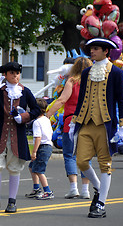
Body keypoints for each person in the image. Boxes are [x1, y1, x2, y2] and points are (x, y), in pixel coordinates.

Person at [69, 38, 123, 218]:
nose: (91, 52)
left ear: (105, 51)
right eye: (91, 49)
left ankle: (101, 204)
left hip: (105, 125)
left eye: (95, 49)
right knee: (80, 161)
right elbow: (82, 100)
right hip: (86, 123)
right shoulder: (87, 72)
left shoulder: (117, 73)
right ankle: (98, 188)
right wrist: (74, 121)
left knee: (105, 164)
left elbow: (122, 100)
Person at [0, 62, 40, 213]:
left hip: (17, 135)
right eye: (12, 73)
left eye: (17, 73)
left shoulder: (25, 92)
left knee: (15, 168)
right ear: (5, 75)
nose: (15, 76)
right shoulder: (0, 91)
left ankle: (12, 201)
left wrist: (24, 117)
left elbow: (36, 109)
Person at [46, 57, 93, 199]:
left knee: (69, 155)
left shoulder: (71, 81)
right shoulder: (93, 82)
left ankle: (74, 188)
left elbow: (61, 100)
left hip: (71, 121)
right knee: (86, 156)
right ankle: (86, 190)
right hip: (88, 122)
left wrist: (47, 114)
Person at [25, 98, 54, 200]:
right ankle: (36, 189)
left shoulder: (37, 122)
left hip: (42, 147)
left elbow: (38, 138)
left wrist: (34, 152)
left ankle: (48, 191)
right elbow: (51, 133)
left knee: (39, 170)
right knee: (32, 167)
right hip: (48, 145)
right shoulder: (46, 119)